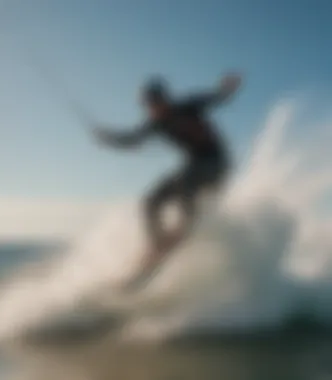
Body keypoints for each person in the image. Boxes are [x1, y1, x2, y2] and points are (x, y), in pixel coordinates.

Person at [93, 73, 242, 288]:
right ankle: (157, 244)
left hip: (215, 164)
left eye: (156, 102)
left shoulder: (188, 106)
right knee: (151, 202)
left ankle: (186, 228)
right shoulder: (155, 124)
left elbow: (216, 98)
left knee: (186, 183)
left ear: (165, 98)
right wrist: (107, 138)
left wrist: (226, 89)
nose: (153, 108)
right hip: (193, 165)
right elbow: (132, 139)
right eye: (149, 105)